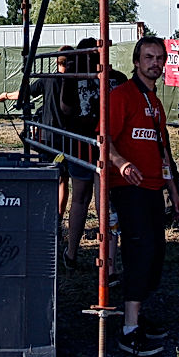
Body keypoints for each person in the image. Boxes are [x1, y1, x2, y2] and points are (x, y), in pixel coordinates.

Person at [107, 36, 179, 357]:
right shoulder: (122, 96)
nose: (155, 63)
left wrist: (174, 192)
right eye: (149, 57)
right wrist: (121, 162)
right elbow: (102, 138)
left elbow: (162, 150)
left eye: (160, 58)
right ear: (136, 62)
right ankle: (129, 330)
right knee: (140, 252)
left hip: (153, 187)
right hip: (129, 187)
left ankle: (134, 316)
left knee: (155, 256)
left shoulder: (155, 102)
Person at [60, 38, 127, 275]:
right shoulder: (118, 79)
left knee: (80, 199)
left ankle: (72, 252)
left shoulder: (72, 79)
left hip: (82, 144)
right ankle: (108, 263)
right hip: (108, 146)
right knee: (106, 204)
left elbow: (66, 108)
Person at [0, 46, 72, 219]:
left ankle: (43, 212)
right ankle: (58, 216)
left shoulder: (47, 79)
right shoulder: (75, 80)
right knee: (63, 179)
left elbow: (25, 93)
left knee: (46, 175)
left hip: (48, 135)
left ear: (56, 61)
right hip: (68, 137)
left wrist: (6, 95)